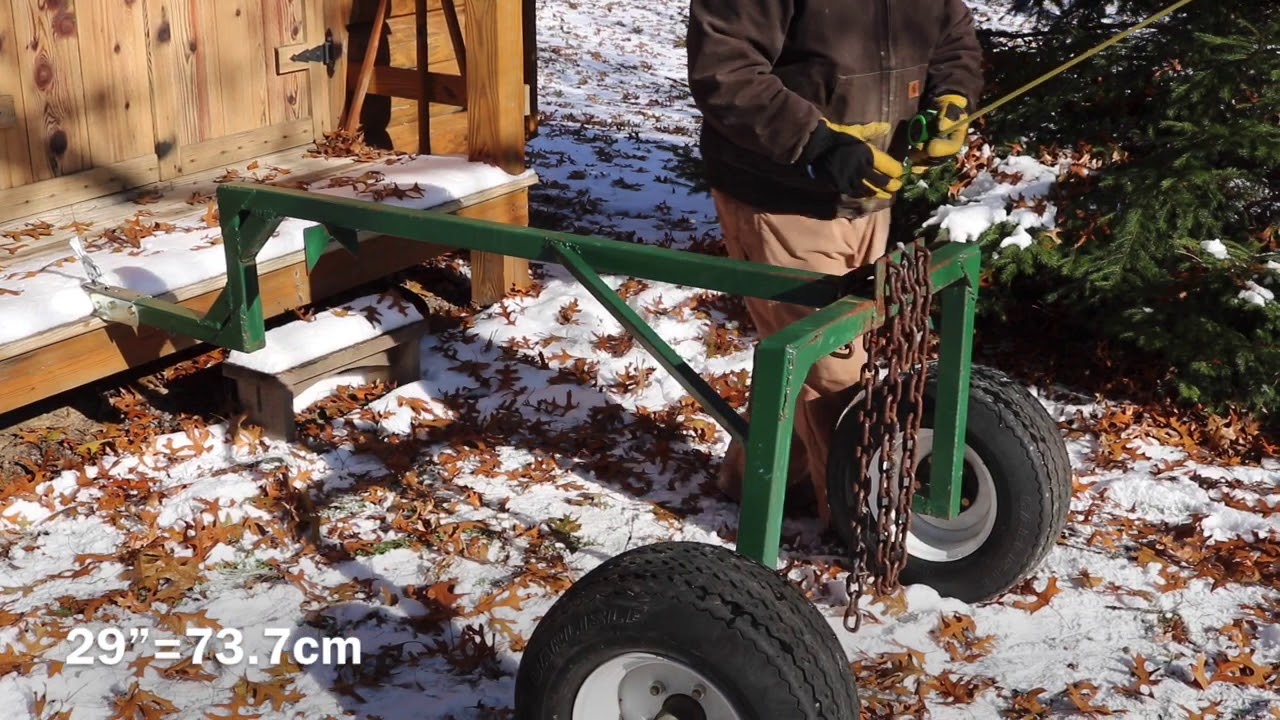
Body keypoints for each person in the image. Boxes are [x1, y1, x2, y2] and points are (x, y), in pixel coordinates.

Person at [686, 0, 985, 528]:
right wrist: (817, 143)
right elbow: (725, 69)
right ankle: (856, 525)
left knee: (816, 352)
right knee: (836, 369)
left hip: (870, 192)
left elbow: (953, 37)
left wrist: (952, 96)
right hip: (779, 192)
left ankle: (760, 480)